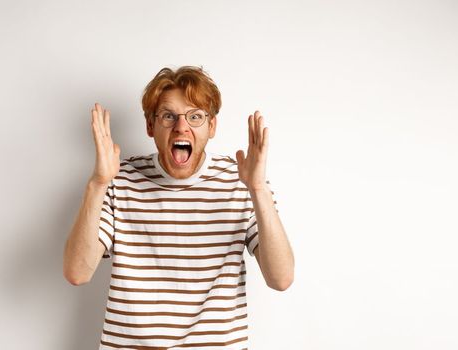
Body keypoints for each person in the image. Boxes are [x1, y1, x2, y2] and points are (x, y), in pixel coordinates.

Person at [62, 66, 295, 349]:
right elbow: (77, 272)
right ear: (150, 126)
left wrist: (258, 190)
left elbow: (281, 278)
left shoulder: (242, 180)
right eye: (168, 116)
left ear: (211, 127)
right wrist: (98, 183)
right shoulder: (117, 179)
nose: (181, 127)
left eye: (195, 116)